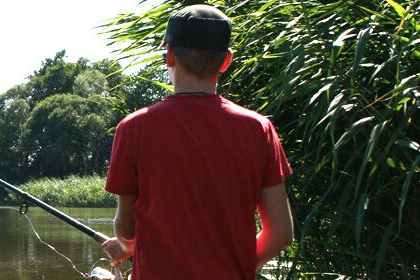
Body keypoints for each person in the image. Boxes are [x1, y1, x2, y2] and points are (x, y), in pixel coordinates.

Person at [99, 4, 294, 279]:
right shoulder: (259, 128)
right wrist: (236, 267)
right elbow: (281, 234)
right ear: (226, 61)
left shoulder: (134, 128)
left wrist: (125, 245)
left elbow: (126, 230)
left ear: (169, 56)